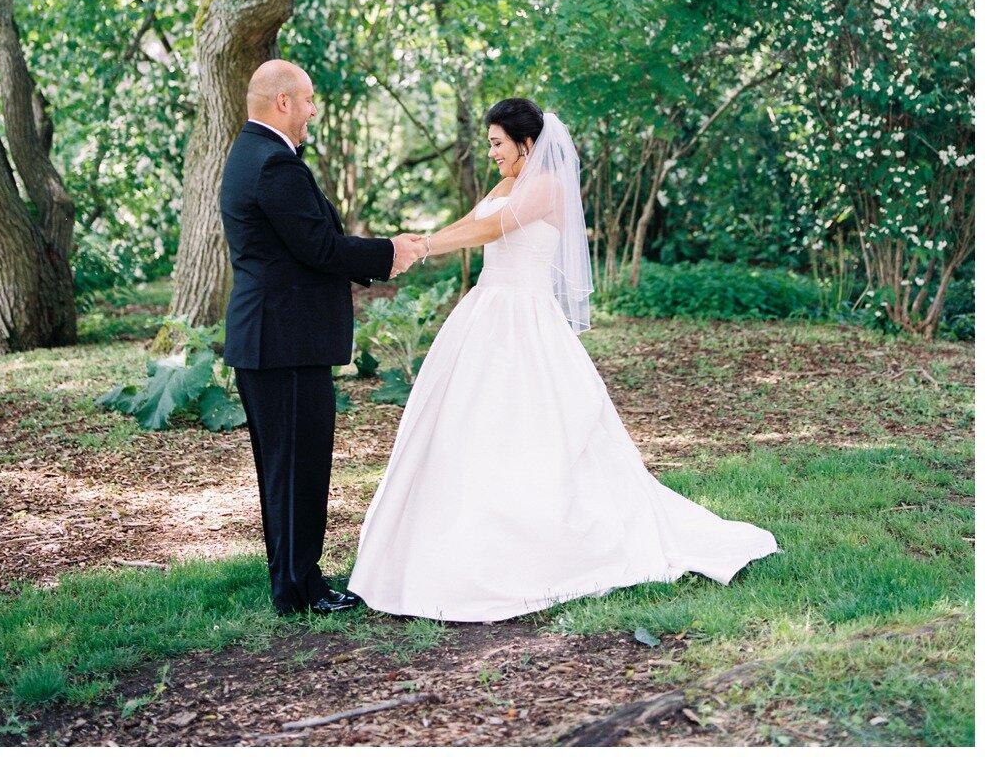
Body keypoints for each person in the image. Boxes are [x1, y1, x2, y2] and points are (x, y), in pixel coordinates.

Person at [348, 97, 777, 621]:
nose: (492, 154)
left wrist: (425, 247)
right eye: (489, 144)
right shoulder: (511, 182)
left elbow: (493, 229)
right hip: (486, 311)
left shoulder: (547, 186)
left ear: (527, 144)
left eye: (497, 144)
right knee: (465, 426)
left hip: (523, 318)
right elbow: (472, 218)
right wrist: (414, 243)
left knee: (530, 428)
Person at [218, 59, 427, 615]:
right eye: (308, 100)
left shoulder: (252, 154)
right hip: (283, 340)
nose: (313, 110)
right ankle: (300, 590)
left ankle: (294, 580)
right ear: (283, 102)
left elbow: (306, 248)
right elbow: (321, 248)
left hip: (275, 337)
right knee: (297, 467)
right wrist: (390, 252)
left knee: (287, 467)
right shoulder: (272, 165)